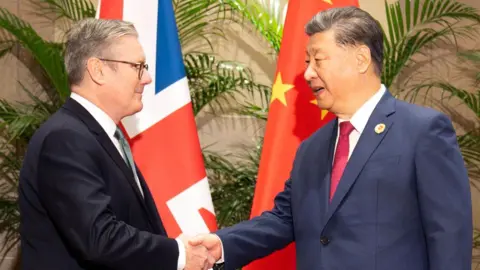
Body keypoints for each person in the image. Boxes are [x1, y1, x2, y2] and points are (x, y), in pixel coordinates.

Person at [190, 6, 473, 270]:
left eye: (318, 60)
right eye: (306, 61)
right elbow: (284, 219)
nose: (308, 73)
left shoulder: (422, 131)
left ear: (361, 59)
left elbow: (448, 235)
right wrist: (223, 244)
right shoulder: (311, 149)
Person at [18, 18, 214, 270]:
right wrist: (180, 254)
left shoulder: (101, 136)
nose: (147, 78)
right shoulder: (65, 139)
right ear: (97, 70)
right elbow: (98, 237)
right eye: (138, 66)